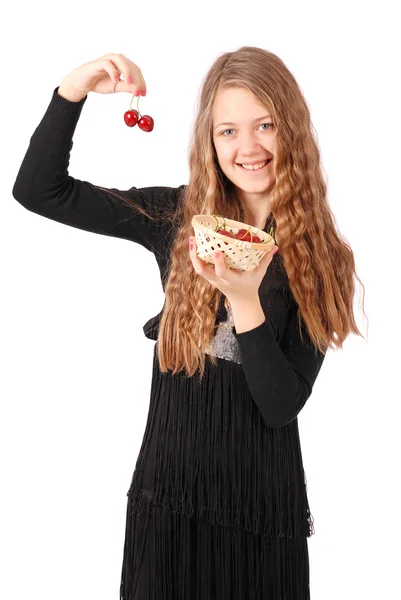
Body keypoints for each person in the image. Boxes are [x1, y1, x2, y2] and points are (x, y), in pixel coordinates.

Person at [12, 47, 366, 600]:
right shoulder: (178, 218)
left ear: (291, 129)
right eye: (228, 131)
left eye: (265, 125)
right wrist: (73, 88)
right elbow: (40, 191)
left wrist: (245, 302)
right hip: (167, 501)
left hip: (260, 517)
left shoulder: (322, 257)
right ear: (209, 140)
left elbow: (281, 405)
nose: (247, 147)